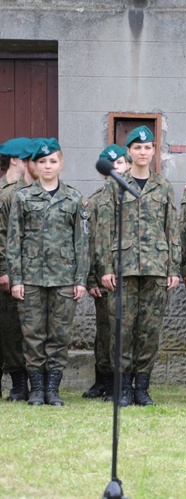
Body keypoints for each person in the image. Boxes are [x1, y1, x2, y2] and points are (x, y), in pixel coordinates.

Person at [97, 125, 180, 407]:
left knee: (149, 330)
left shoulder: (164, 186)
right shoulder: (115, 185)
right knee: (121, 328)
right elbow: (103, 229)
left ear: (154, 150)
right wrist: (106, 267)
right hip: (123, 267)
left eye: (147, 147)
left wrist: (173, 268)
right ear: (128, 152)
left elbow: (173, 230)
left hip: (156, 267)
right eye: (137, 148)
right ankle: (122, 387)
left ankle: (142, 386)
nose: (143, 152)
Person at [7, 138, 90, 406]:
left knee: (60, 335)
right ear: (34, 164)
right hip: (30, 278)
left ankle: (52, 389)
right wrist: (16, 279)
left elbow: (81, 242)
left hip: (64, 279)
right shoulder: (23, 196)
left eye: (52, 161)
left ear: (61, 164)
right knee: (32, 335)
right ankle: (36, 390)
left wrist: (80, 280)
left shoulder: (73, 197)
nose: (47, 166)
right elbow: (14, 241)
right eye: (42, 161)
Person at [82, 144, 131, 399]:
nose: (117, 169)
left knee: (122, 330)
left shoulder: (134, 195)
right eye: (112, 165)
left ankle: (120, 381)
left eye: (121, 163)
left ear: (129, 165)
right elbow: (90, 241)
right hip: (103, 275)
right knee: (103, 330)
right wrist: (91, 277)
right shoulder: (97, 199)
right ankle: (102, 379)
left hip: (128, 272)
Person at [0, 137, 36, 401]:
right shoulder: (7, 192)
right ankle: (18, 383)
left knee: (22, 328)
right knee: (11, 328)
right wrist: (4, 269)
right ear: (15, 160)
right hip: (8, 272)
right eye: (27, 158)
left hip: (27, 271)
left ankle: (22, 382)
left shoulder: (28, 190)